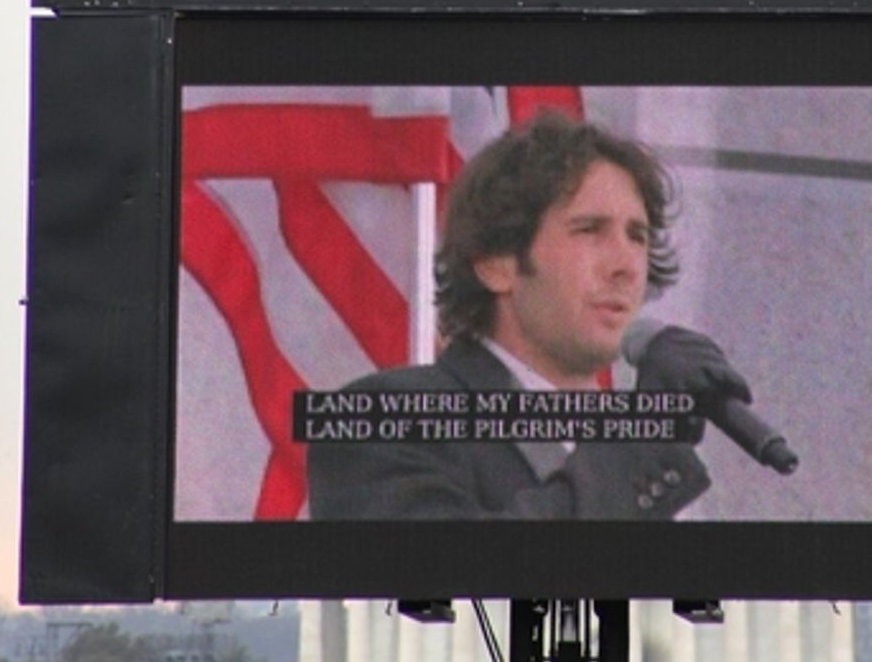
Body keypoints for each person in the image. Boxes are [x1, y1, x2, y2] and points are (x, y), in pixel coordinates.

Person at [307, 110, 751, 520]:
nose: (627, 264)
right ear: (496, 264)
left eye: (637, 236)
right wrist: (642, 435)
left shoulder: (640, 456)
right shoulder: (381, 422)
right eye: (589, 230)